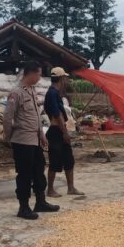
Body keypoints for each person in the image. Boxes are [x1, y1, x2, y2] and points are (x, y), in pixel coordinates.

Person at [2, 60, 60, 220]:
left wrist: (42, 135)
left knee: (38, 172)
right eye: (39, 74)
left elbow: (35, 117)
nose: (40, 78)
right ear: (31, 73)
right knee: (25, 174)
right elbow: (7, 118)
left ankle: (40, 202)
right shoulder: (17, 93)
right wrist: (8, 137)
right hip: (22, 141)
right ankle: (24, 207)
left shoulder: (32, 91)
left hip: (34, 140)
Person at [44, 67, 84, 198]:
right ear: (61, 79)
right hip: (56, 131)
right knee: (55, 162)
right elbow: (57, 115)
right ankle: (50, 190)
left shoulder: (57, 94)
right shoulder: (52, 94)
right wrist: (65, 132)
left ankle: (71, 188)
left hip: (60, 130)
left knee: (69, 160)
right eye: (65, 78)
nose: (67, 80)